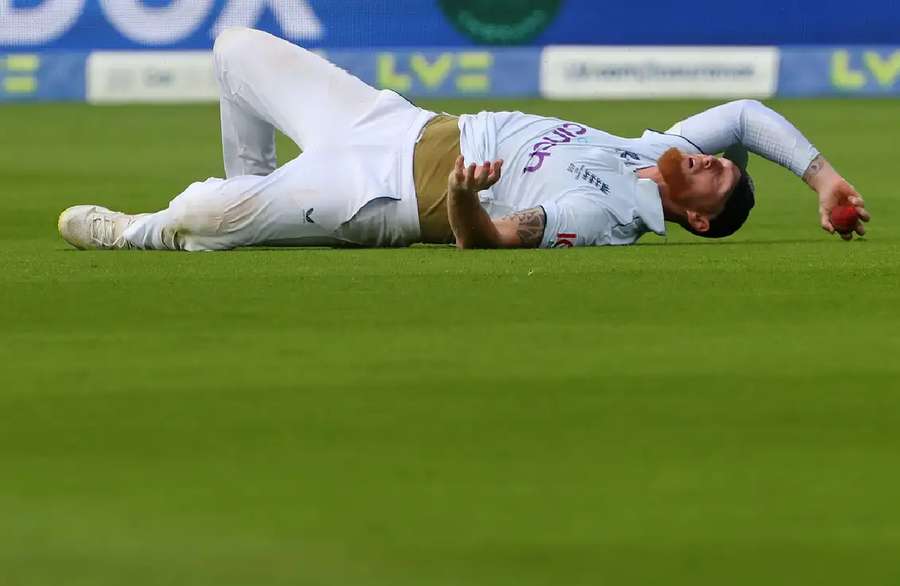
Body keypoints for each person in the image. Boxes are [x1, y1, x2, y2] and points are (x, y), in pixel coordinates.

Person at [58, 27, 869, 252]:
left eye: (716, 179)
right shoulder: (643, 146)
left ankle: (137, 234)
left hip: (384, 198)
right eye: (716, 157)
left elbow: (500, 239)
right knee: (236, 51)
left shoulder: (614, 214)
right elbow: (745, 114)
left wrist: (460, 202)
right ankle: (259, 191)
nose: (709, 158)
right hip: (394, 123)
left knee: (198, 216)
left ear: (694, 218)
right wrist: (823, 180)